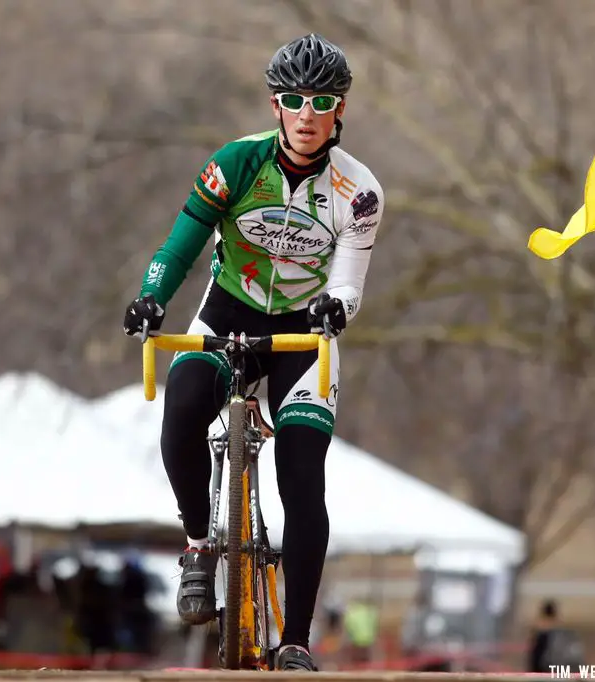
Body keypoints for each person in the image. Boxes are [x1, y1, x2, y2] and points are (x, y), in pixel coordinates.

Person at [122, 33, 384, 671]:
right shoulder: (237, 163)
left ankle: (294, 639)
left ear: (339, 109)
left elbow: (349, 279)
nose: (306, 113)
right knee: (181, 409)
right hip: (228, 314)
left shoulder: (360, 191)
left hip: (302, 333)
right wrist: (151, 297)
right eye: (294, 99)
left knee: (302, 480)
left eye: (321, 101)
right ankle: (196, 545)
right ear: (275, 105)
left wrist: (336, 310)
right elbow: (180, 243)